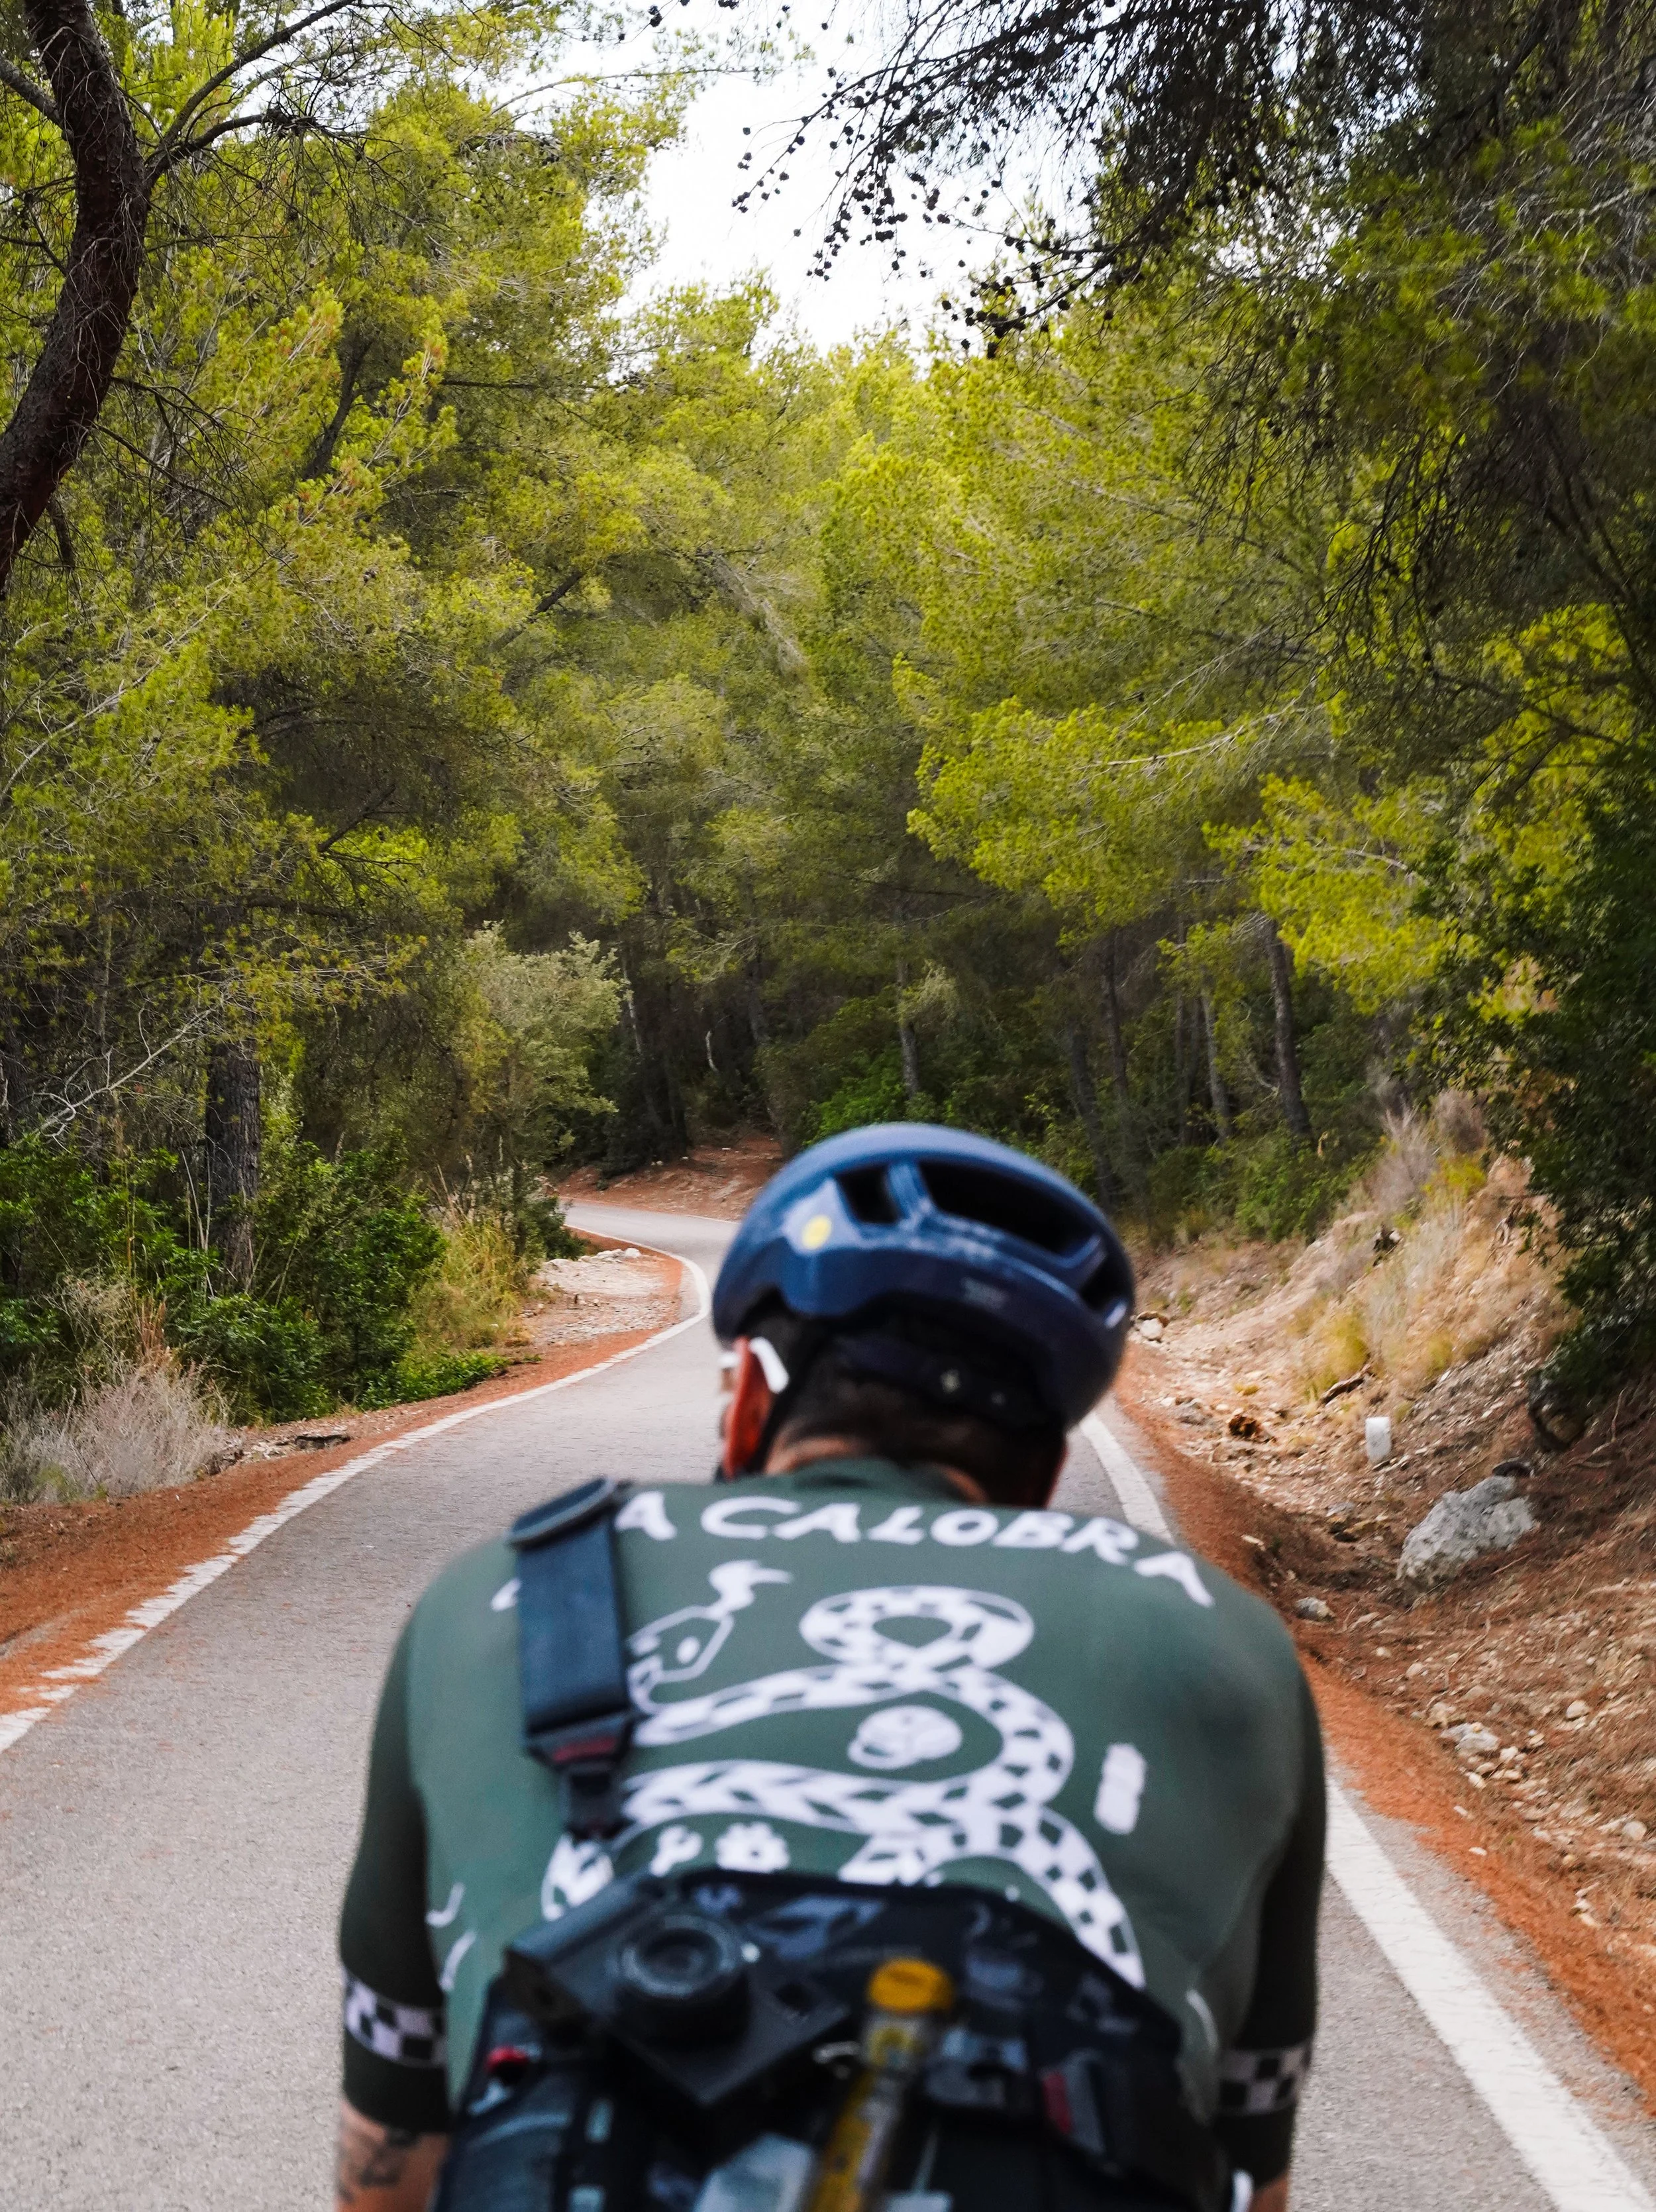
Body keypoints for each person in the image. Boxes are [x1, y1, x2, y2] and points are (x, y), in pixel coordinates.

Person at [335, 1125, 1323, 2212]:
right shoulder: (1223, 1639)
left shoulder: (510, 1592)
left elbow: (392, 2150)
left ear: (752, 1405)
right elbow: (1246, 2176)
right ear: (1043, 1476)